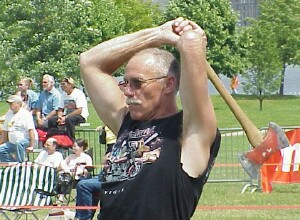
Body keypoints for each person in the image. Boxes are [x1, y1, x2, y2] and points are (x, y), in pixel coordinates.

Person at [80, 17, 221, 220]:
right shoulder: (125, 123)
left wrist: (192, 39)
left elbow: (190, 44)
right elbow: (89, 62)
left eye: (137, 83)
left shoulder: (189, 134)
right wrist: (159, 34)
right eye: (125, 82)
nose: (128, 91)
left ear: (169, 84)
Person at [0, 95, 38, 162]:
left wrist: (31, 146)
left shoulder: (25, 114)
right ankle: (13, 165)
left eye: (12, 103)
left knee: (19, 143)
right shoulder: (9, 114)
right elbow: (5, 130)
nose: (10, 104)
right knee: (1, 150)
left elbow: (31, 130)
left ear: (18, 103)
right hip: (12, 142)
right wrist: (1, 143)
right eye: (9, 103)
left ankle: (20, 166)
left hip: (26, 140)